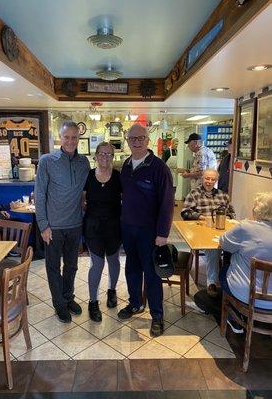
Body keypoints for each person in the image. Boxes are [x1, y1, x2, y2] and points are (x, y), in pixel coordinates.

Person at [118, 124, 174, 337]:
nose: (137, 141)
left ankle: (157, 316)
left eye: (141, 138)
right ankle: (135, 304)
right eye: (133, 138)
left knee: (152, 274)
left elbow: (167, 203)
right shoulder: (126, 165)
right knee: (132, 269)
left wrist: (162, 233)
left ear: (148, 140)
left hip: (150, 232)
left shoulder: (159, 167)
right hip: (128, 228)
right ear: (128, 141)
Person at [35, 121, 90, 323]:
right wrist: (43, 225)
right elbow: (39, 193)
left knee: (72, 266)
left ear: (78, 139)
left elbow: (84, 191)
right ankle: (59, 304)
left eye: (74, 137)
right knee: (52, 267)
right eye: (67, 137)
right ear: (60, 138)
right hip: (53, 227)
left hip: (75, 225)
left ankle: (68, 298)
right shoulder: (47, 161)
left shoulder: (84, 162)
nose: (70, 141)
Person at [219, 192, 272, 332]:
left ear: (257, 209)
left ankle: (234, 316)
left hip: (247, 296)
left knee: (224, 271)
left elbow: (224, 244)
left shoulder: (246, 227)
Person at [181, 169, 235, 298]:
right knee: (213, 248)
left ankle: (231, 281)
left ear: (216, 181)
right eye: (207, 179)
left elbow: (232, 213)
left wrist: (227, 217)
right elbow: (185, 212)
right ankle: (212, 283)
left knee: (235, 248)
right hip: (201, 231)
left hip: (221, 229)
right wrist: (201, 217)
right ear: (202, 178)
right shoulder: (194, 194)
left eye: (212, 179)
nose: (209, 182)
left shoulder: (223, 195)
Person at [83, 142, 122, 322]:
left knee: (113, 260)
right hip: (93, 227)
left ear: (113, 157)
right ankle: (93, 302)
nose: (105, 157)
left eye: (109, 154)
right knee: (97, 264)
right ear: (96, 156)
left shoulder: (118, 176)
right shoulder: (89, 176)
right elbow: (81, 200)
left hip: (114, 226)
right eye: (102, 153)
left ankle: (112, 290)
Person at [162, 138, 179, 206]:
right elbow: (163, 163)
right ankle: (166, 202)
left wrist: (177, 169)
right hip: (167, 171)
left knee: (174, 187)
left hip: (174, 171)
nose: (177, 145)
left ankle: (172, 201)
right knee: (168, 187)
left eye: (177, 144)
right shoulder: (166, 151)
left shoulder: (176, 151)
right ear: (172, 143)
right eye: (175, 144)